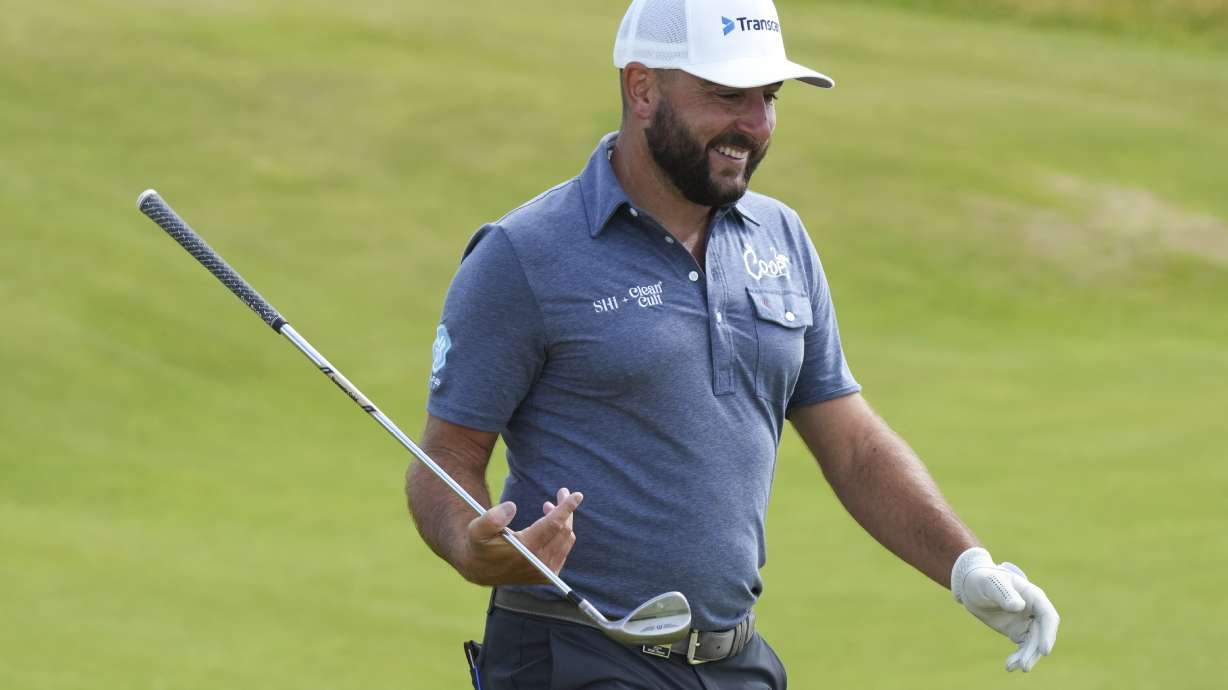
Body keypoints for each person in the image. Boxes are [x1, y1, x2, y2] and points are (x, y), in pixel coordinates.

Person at [406, 0, 1060, 687]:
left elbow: (854, 444)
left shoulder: (782, 238)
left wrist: (966, 565)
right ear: (642, 88)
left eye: (768, 98)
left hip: (733, 661)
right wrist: (470, 545)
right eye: (726, 96)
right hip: (576, 652)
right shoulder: (525, 254)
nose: (754, 124)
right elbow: (444, 459)